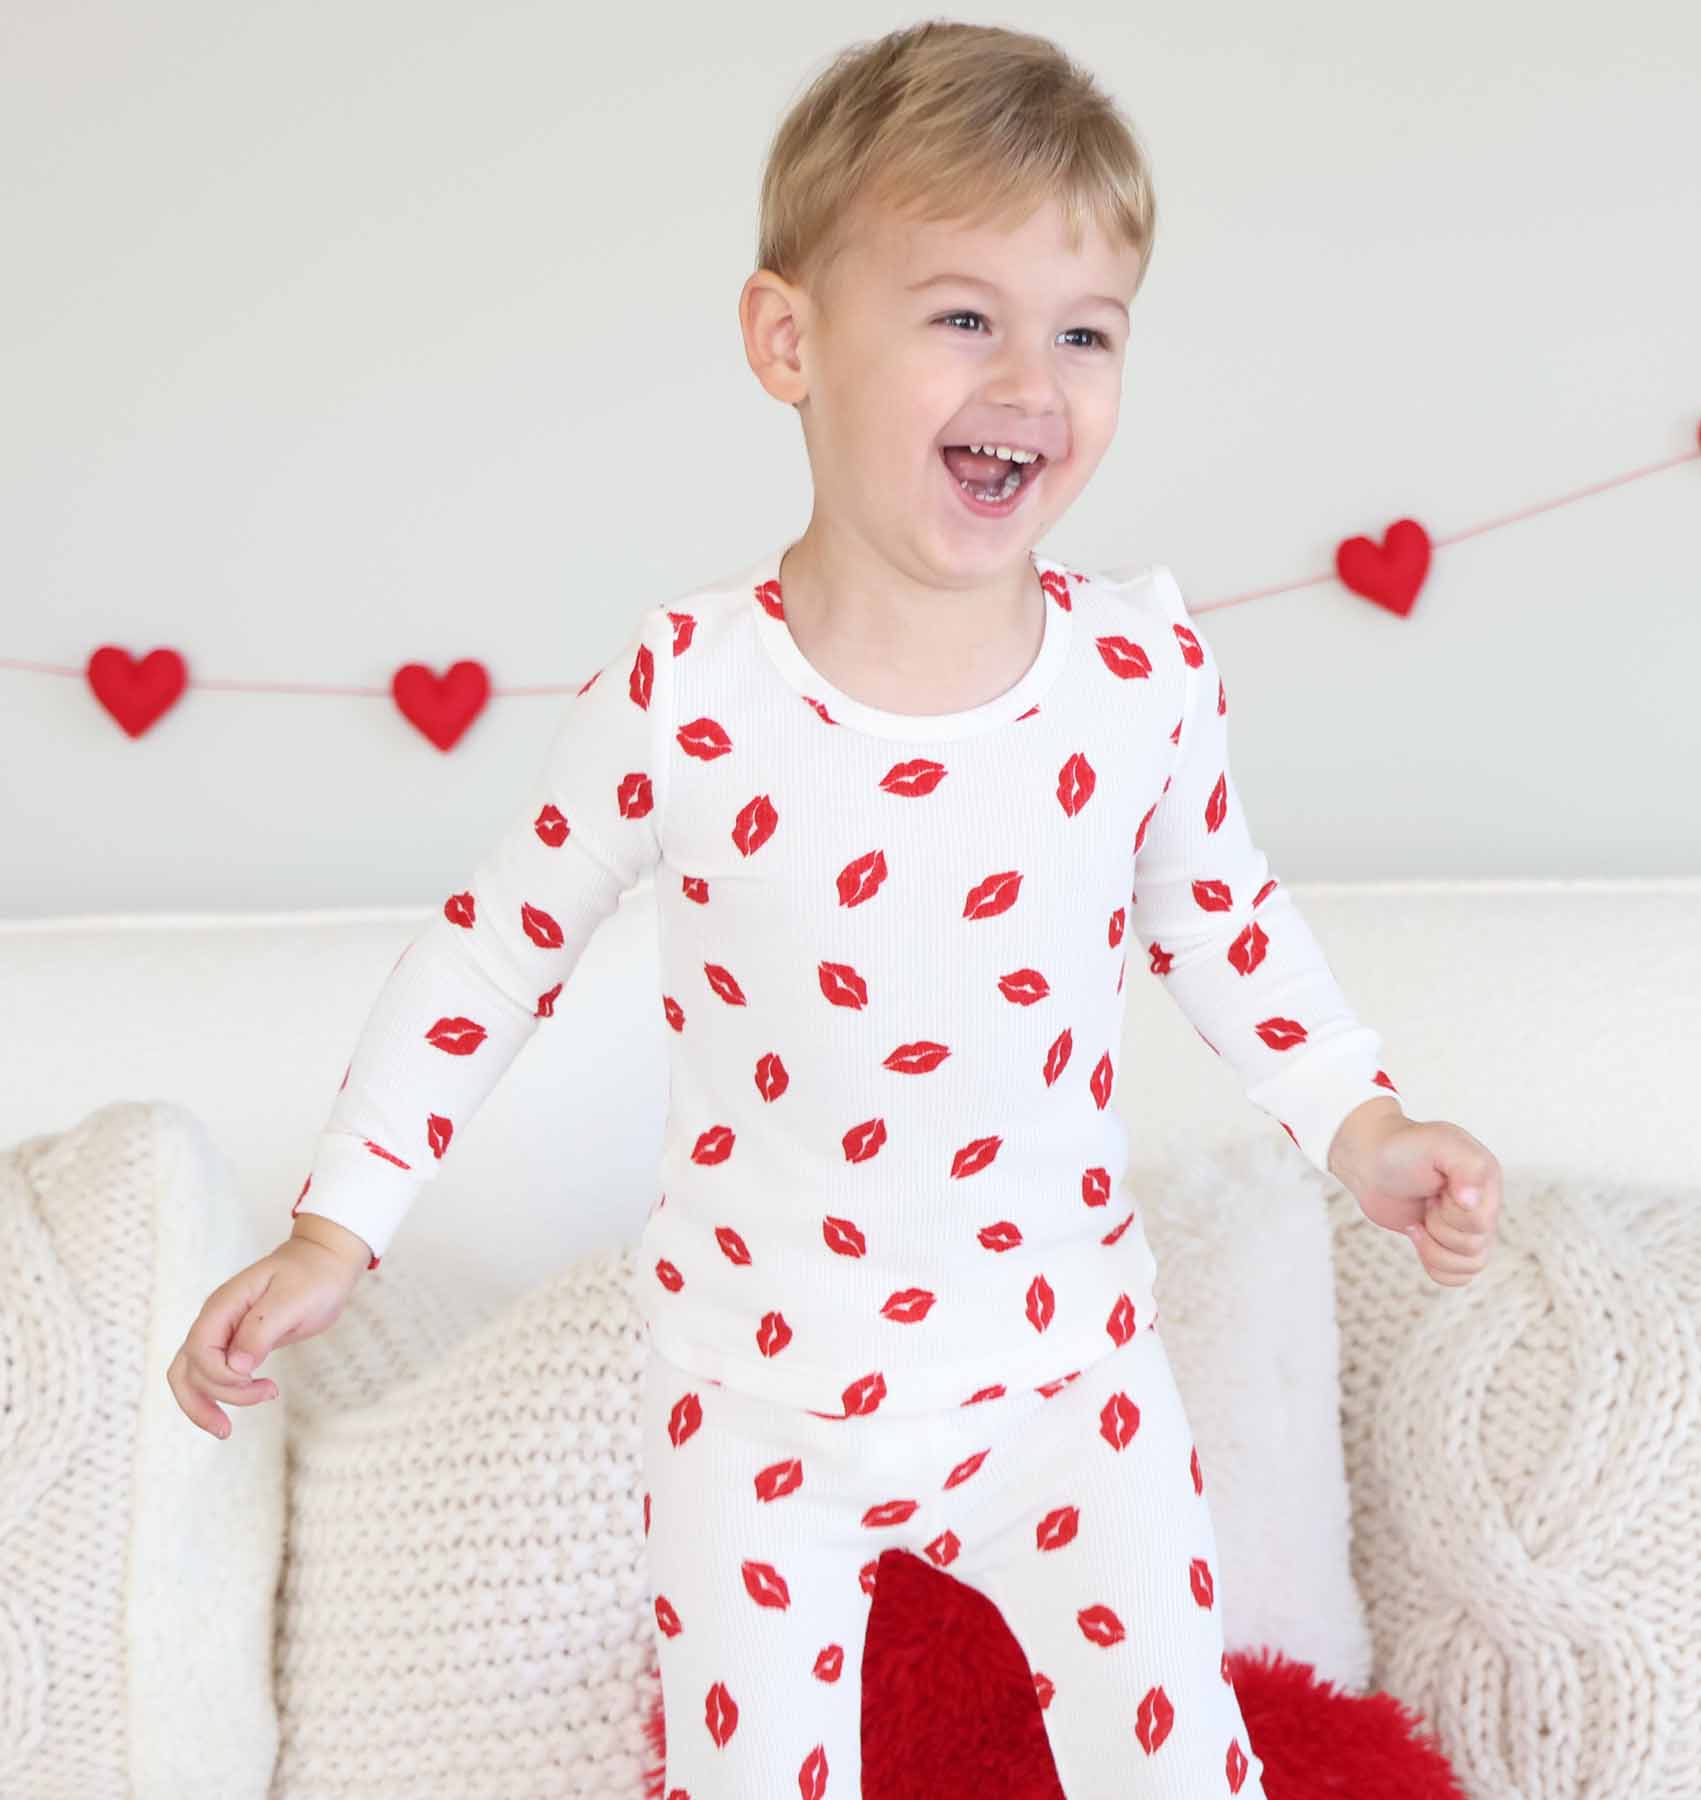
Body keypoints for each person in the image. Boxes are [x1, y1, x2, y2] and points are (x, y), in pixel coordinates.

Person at [168, 20, 1503, 1796]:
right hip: (757, 1410)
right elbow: (495, 953)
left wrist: (1364, 1122)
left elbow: (1225, 923)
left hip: (1065, 1388)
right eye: (964, 316)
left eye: (1085, 332)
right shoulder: (688, 692)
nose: (1032, 379)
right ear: (788, 340)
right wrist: (338, 1228)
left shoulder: (1137, 675)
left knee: (1182, 1769)